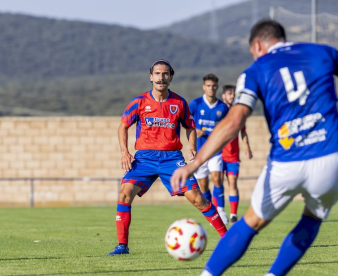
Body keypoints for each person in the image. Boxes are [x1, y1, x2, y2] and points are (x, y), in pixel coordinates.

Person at [171, 20, 338, 275]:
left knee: (251, 222)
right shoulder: (323, 52)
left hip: (286, 163)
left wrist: (195, 164)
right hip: (331, 158)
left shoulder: (255, 70)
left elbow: (234, 120)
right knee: (312, 218)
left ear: (257, 45)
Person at [108, 60, 227, 256]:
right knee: (124, 194)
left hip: (172, 158)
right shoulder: (139, 102)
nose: (161, 78)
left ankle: (226, 238)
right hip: (144, 158)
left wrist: (193, 149)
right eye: (157, 74)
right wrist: (124, 151)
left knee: (198, 199)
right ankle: (122, 246)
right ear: (151, 77)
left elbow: (190, 127)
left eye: (165, 74)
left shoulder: (179, 103)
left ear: (170, 77)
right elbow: (123, 126)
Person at [189, 74, 230, 224]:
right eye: (208, 86)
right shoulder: (196, 104)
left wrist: (207, 132)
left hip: (215, 151)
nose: (211, 88)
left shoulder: (222, 107)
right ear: (204, 87)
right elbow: (186, 122)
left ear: (217, 87)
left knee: (217, 179)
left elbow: (226, 128)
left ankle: (221, 210)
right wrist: (194, 130)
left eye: (213, 86)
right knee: (203, 184)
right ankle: (211, 211)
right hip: (200, 152)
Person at [221, 84, 253, 224]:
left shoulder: (238, 112)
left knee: (232, 183)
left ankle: (233, 214)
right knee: (218, 183)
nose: (232, 96)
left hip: (233, 156)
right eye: (229, 93)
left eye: (233, 93)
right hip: (219, 155)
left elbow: (243, 131)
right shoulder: (218, 111)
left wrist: (247, 146)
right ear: (224, 96)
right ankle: (220, 212)